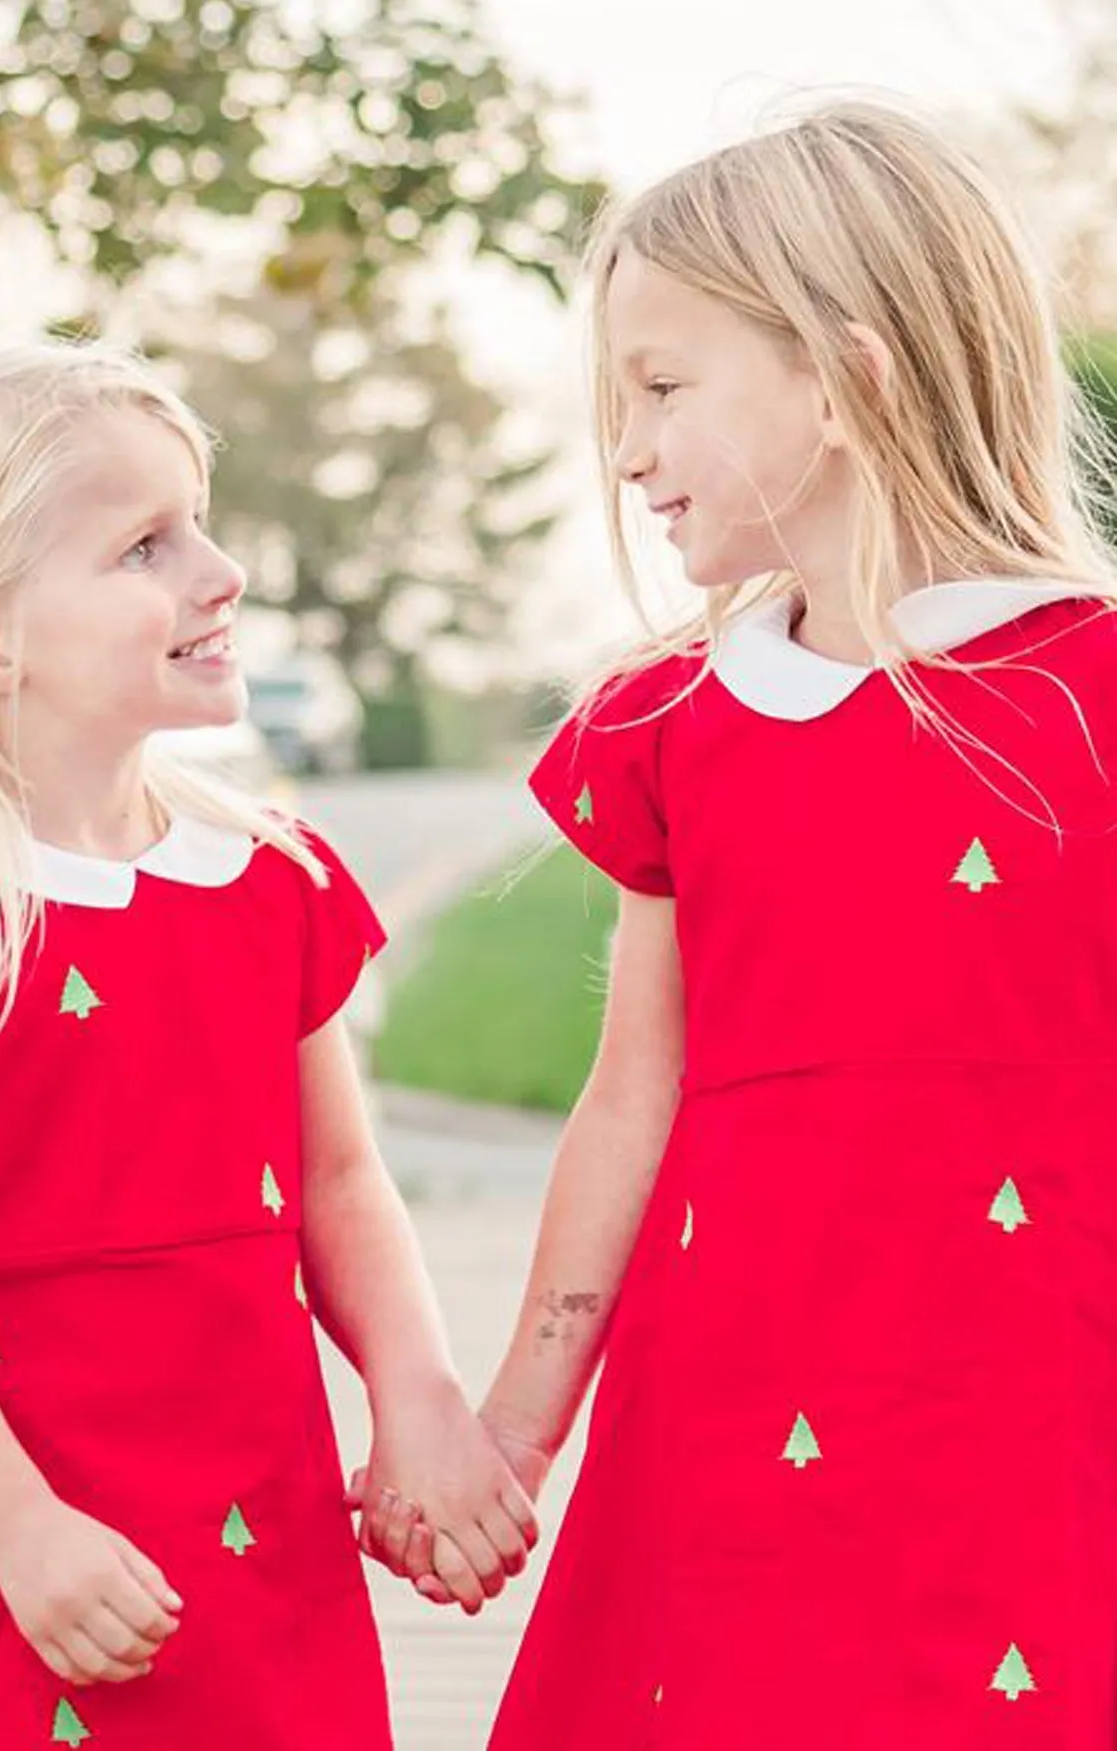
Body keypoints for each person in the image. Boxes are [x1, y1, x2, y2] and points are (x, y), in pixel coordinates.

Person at [372, 100, 1117, 1744]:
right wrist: (513, 1426)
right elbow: (631, 1096)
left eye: (658, 388)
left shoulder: (1099, 694)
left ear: (848, 376)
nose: (626, 452)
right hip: (720, 1431)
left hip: (1041, 1430)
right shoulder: (677, 727)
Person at [0, 336, 535, 1748]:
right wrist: (20, 1527)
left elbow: (342, 1184)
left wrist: (414, 1398)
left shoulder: (268, 876)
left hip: (241, 1481)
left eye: (201, 523)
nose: (218, 571)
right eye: (145, 547)